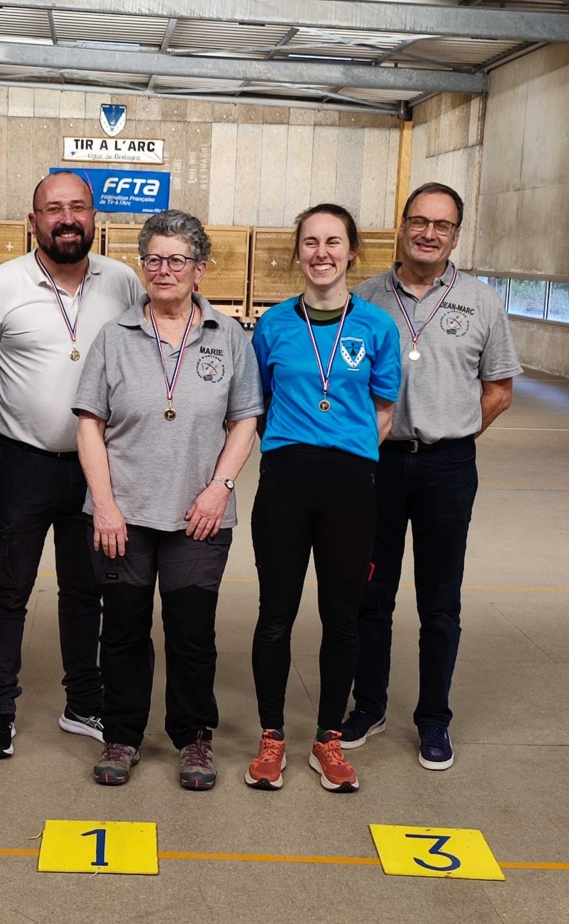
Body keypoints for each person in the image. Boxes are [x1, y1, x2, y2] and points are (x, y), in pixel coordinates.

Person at [74, 209, 262, 790]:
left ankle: (193, 737)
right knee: (123, 630)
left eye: (177, 260)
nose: (164, 270)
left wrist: (219, 489)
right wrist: (105, 505)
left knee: (192, 632)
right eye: (153, 259)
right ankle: (122, 735)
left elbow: (245, 419)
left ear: (199, 269)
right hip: (123, 517)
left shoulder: (229, 337)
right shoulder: (115, 336)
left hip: (199, 518)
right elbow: (89, 424)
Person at [341, 182, 522, 770]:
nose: (428, 233)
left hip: (447, 466)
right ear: (402, 227)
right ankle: (369, 706)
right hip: (379, 465)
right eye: (419, 221)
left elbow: (498, 391)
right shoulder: (364, 299)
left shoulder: (482, 301)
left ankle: (433, 718)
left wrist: (454, 432)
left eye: (442, 225)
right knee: (371, 594)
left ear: (456, 235)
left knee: (440, 601)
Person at [0, 170, 141, 759]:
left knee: (86, 590)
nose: (67, 219)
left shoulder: (123, 281)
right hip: (23, 463)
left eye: (78, 207)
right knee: (8, 588)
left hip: (99, 469)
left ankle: (83, 701)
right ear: (33, 220)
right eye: (54, 208)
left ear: (95, 218)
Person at [247, 203, 401, 793]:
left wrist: (348, 451)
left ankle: (328, 739)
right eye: (310, 242)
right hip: (285, 482)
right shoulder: (272, 325)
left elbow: (383, 409)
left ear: (352, 251)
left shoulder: (377, 327)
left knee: (341, 617)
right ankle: (271, 738)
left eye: (333, 242)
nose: (321, 253)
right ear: (298, 252)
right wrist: (298, 447)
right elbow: (259, 403)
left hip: (351, 488)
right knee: (275, 616)